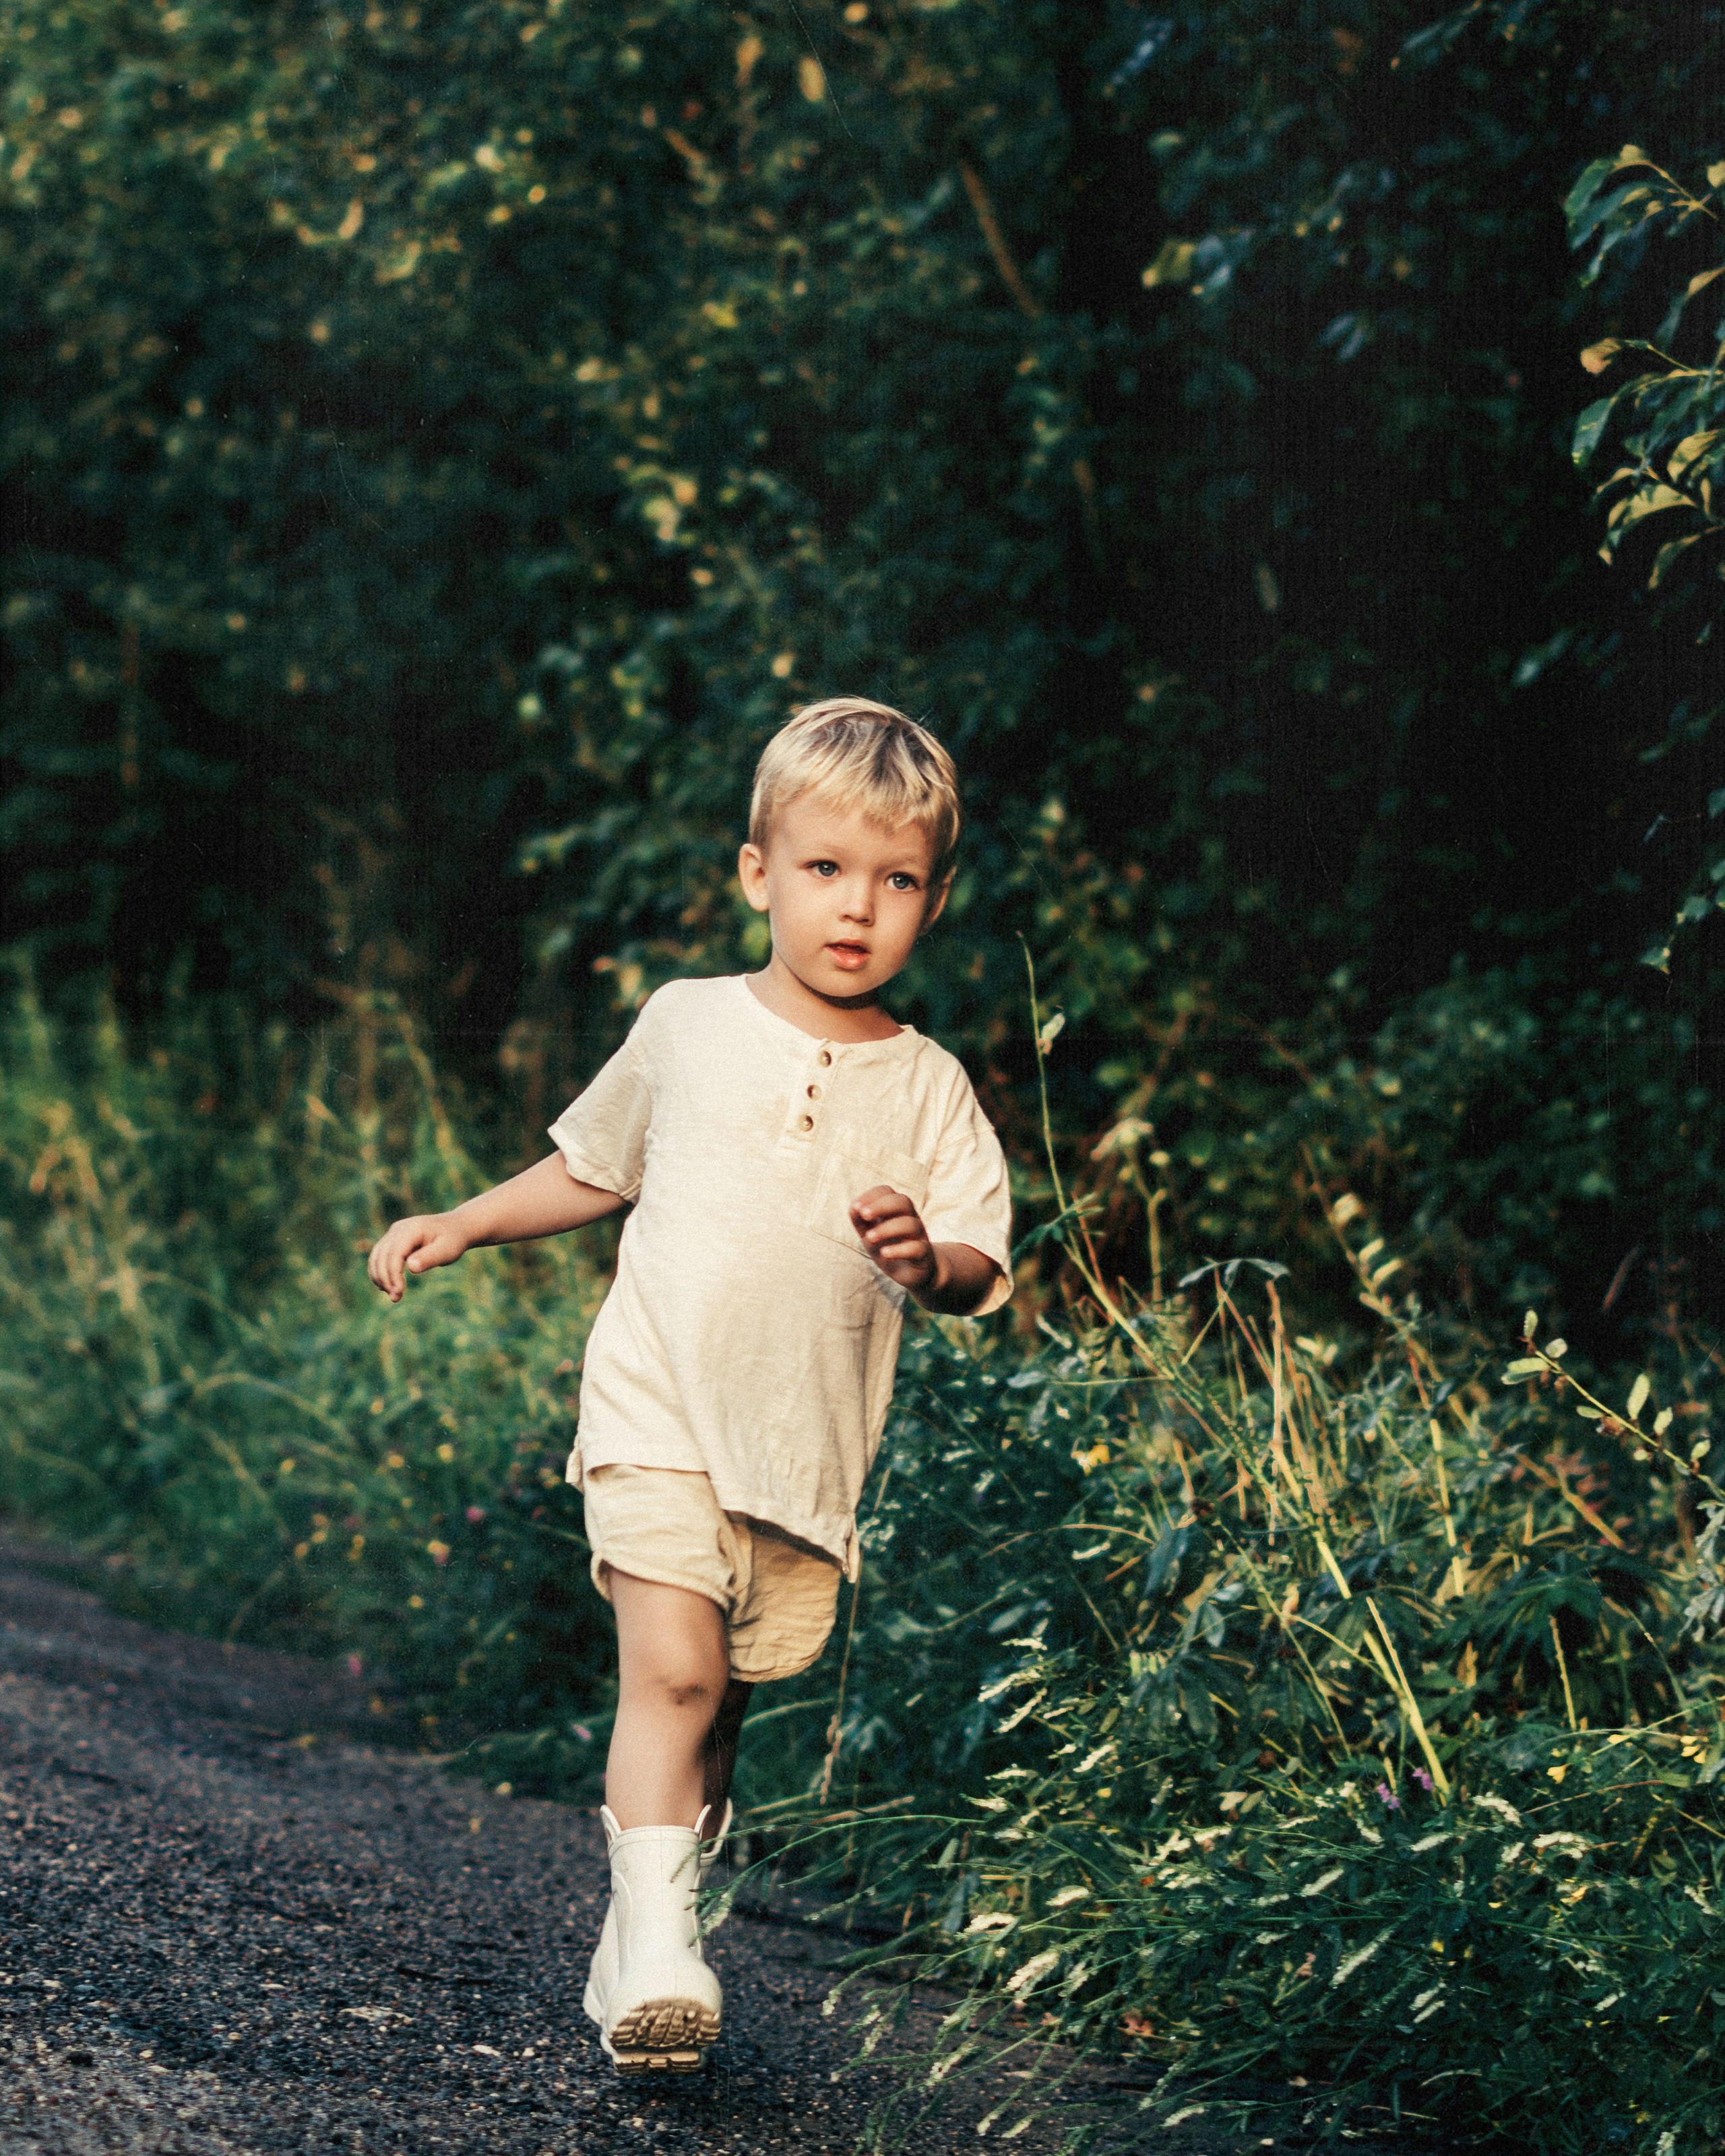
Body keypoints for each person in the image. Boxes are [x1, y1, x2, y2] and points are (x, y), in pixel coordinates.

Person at [367, 696, 1012, 2071]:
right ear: (757, 872)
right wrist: (467, 1219)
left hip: (799, 1459)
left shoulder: (931, 1086)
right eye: (827, 868)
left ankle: (640, 1927)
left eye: (895, 881)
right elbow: (598, 1166)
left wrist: (930, 1255)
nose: (857, 908)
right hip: (654, 1411)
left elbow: (979, 1261)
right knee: (670, 1673)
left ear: (933, 900)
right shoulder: (687, 1024)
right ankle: (662, 1943)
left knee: (720, 1708)